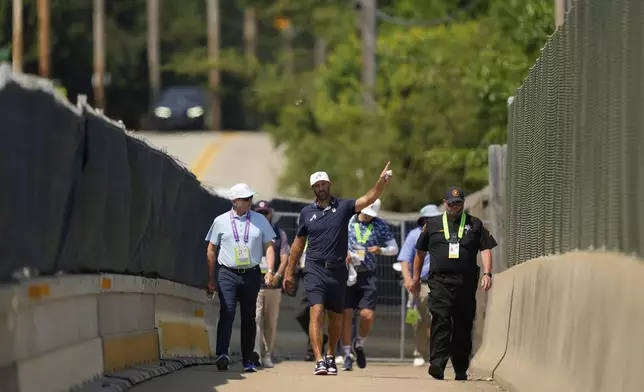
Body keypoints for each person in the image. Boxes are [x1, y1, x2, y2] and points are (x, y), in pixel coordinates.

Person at [283, 162, 393, 376]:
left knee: (335, 316)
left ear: (329, 185)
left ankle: (331, 355)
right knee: (316, 310)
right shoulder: (306, 213)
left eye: (324, 184)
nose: (321, 188)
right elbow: (298, 243)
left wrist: (380, 182)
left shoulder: (343, 207)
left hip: (337, 270)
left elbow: (368, 199)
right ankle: (318, 359)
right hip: (314, 269)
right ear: (313, 189)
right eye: (317, 185)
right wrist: (289, 271)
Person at [411, 186, 496, 381]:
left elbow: (485, 249)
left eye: (458, 203)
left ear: (463, 204)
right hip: (440, 281)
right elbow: (419, 253)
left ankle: (460, 367)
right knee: (441, 319)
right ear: (445, 203)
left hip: (466, 283)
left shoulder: (475, 224)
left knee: (463, 325)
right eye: (451, 203)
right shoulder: (432, 224)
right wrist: (416, 279)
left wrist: (488, 273)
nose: (454, 206)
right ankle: (437, 363)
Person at [205, 183, 277, 373]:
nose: (250, 202)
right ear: (235, 201)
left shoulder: (260, 220)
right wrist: (211, 277)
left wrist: (270, 270)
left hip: (251, 274)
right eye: (245, 199)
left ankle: (248, 359)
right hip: (227, 273)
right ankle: (222, 354)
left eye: (251, 198)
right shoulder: (220, 221)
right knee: (227, 310)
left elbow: (269, 246)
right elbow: (211, 250)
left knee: (249, 316)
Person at [342, 199, 398, 371]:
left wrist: (381, 250)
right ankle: (346, 355)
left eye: (371, 215)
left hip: (368, 275)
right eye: (366, 213)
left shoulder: (380, 224)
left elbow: (394, 248)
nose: (367, 217)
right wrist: (345, 253)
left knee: (367, 315)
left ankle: (359, 343)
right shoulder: (348, 219)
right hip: (348, 272)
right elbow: (336, 240)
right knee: (347, 314)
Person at [397, 204, 442, 367]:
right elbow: (404, 260)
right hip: (418, 284)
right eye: (429, 218)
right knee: (418, 320)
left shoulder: (444, 235)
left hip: (439, 283)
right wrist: (408, 280)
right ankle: (420, 353)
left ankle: (436, 353)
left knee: (437, 318)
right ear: (423, 220)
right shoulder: (413, 235)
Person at [252, 200, 290, 368]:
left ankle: (268, 354)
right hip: (255, 283)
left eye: (265, 213)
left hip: (273, 285)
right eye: (259, 213)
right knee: (255, 320)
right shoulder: (250, 233)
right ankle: (256, 353)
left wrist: (279, 275)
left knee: (271, 322)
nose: (263, 216)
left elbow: (284, 258)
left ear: (270, 214)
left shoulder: (279, 234)